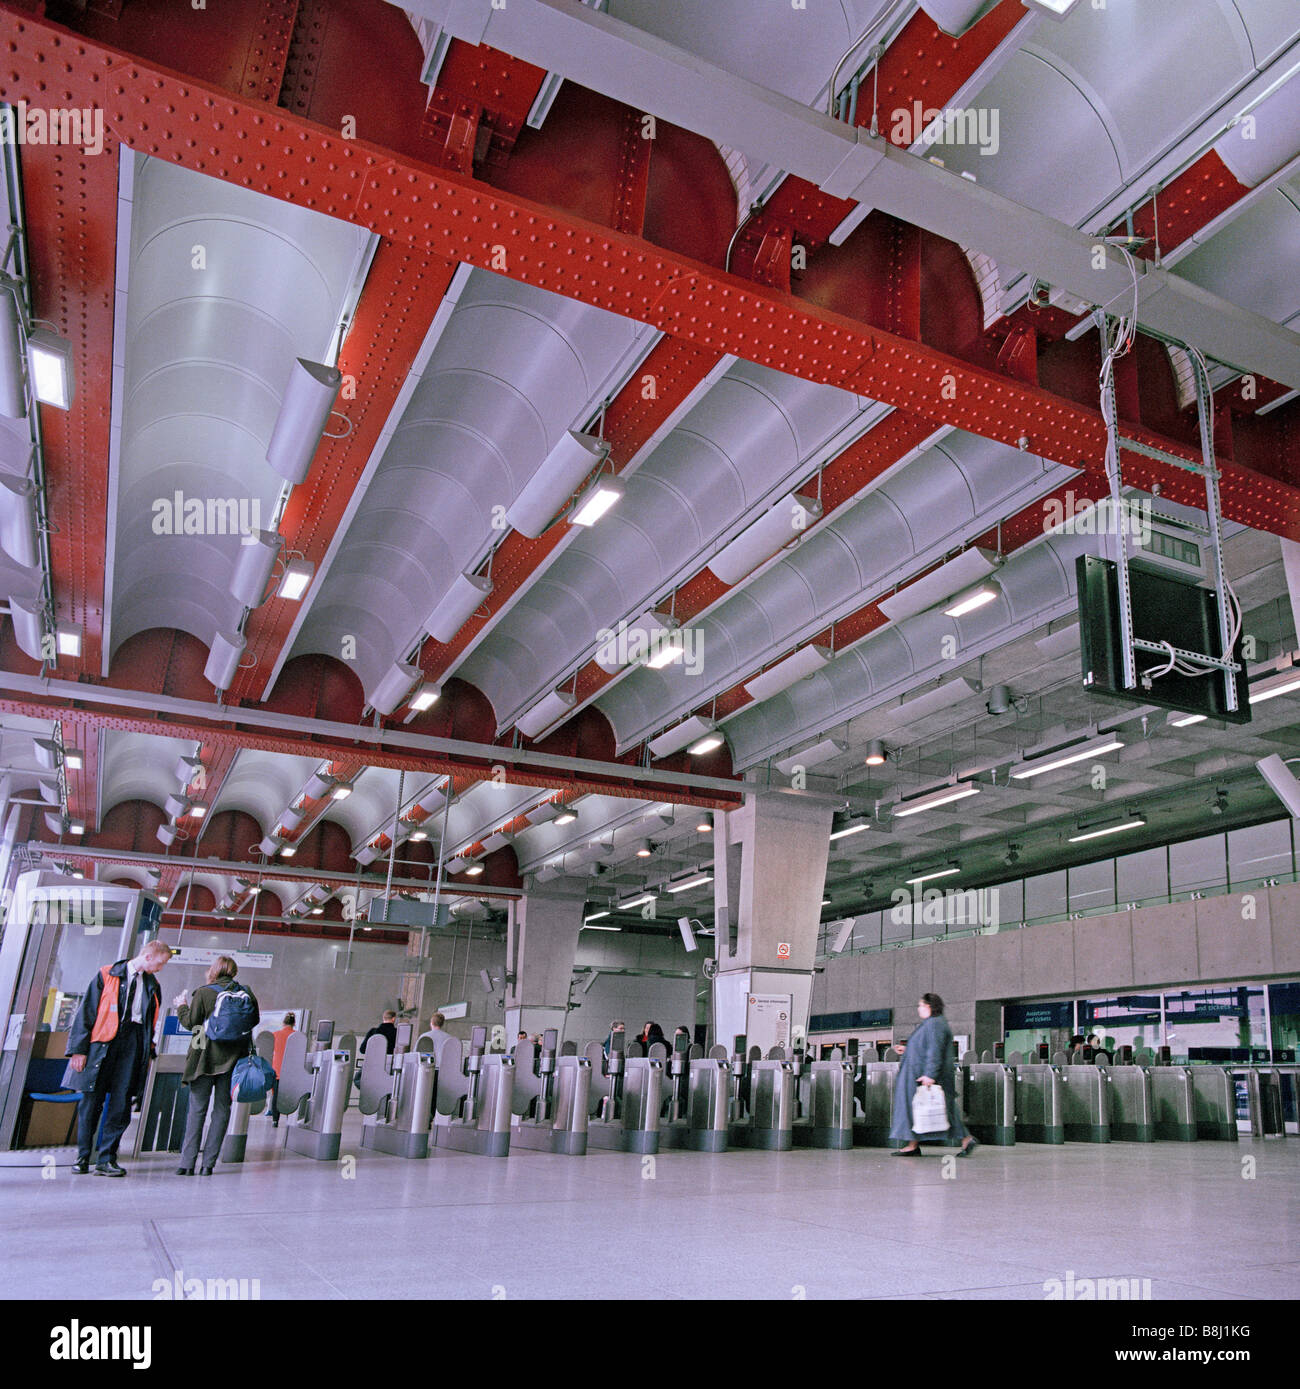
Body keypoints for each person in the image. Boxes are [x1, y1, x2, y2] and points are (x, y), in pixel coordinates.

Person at [66, 939, 171, 1176]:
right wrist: (78, 1050)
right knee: (90, 1103)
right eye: (160, 963)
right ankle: (83, 1157)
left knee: (121, 1103)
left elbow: (149, 1022)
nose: (161, 968)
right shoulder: (107, 974)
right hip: (103, 1045)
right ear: (148, 956)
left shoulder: (153, 985)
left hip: (132, 1045)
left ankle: (107, 1159)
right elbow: (87, 1012)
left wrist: (148, 1050)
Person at [174, 957, 260, 1175]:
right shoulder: (246, 993)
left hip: (203, 1057)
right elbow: (254, 1020)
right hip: (233, 1059)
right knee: (222, 1111)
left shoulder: (203, 992)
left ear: (213, 970)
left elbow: (191, 1023)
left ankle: (187, 1164)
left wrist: (181, 1006)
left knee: (197, 1110)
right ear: (234, 971)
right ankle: (208, 1165)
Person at [889, 993, 976, 1158]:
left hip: (922, 1075)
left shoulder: (935, 1024)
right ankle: (912, 1144)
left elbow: (935, 1051)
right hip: (917, 1073)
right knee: (927, 1110)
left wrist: (930, 1075)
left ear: (929, 1006)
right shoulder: (930, 1024)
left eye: (920, 1005)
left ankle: (965, 1139)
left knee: (934, 1110)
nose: (918, 1009)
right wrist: (907, 1050)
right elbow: (925, 1048)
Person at [267, 1013, 296, 1127]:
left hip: (277, 1070)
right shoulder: (296, 1036)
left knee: (276, 1096)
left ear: (283, 1023)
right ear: (294, 1023)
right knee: (291, 1095)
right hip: (291, 1072)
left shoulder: (275, 1035)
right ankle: (290, 1118)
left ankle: (275, 1120)